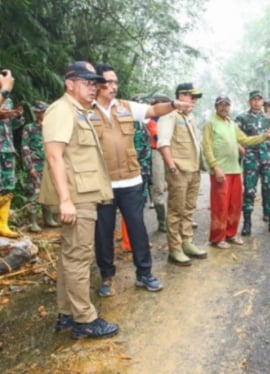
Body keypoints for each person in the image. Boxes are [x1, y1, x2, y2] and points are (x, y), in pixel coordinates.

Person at [91, 64, 192, 295]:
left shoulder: (125, 107)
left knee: (138, 229)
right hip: (102, 184)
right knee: (103, 233)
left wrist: (174, 104)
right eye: (109, 82)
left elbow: (153, 111)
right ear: (97, 84)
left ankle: (144, 274)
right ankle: (107, 276)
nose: (114, 87)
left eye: (116, 82)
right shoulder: (86, 111)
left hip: (130, 181)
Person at [38, 61, 118, 339]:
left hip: (83, 194)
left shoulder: (80, 112)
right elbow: (54, 156)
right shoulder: (61, 111)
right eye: (87, 82)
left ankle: (67, 314)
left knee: (69, 257)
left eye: (95, 83)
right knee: (79, 257)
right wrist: (65, 200)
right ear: (69, 83)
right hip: (75, 197)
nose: (93, 87)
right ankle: (84, 319)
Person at [202, 96, 270, 248]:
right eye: (221, 105)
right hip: (220, 170)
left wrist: (265, 136)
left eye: (227, 105)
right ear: (216, 107)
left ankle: (230, 234)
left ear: (230, 107)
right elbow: (207, 147)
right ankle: (218, 238)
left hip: (235, 170)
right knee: (220, 205)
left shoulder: (231, 123)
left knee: (234, 205)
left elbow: (245, 140)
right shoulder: (211, 123)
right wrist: (215, 166)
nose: (224, 108)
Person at [157, 83, 207, 266]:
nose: (194, 100)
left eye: (195, 97)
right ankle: (175, 248)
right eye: (191, 96)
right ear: (180, 96)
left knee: (188, 210)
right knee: (176, 211)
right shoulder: (169, 115)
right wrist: (172, 168)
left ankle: (186, 242)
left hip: (193, 171)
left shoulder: (190, 117)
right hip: (178, 171)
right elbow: (163, 143)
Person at [236, 90, 270, 236]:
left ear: (263, 102)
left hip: (268, 158)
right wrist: (244, 153)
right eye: (254, 99)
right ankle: (247, 223)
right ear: (249, 101)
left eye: (259, 99)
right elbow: (236, 138)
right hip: (251, 159)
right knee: (249, 190)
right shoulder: (242, 118)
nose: (256, 102)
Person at [21, 100, 60, 232]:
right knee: (34, 193)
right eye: (41, 112)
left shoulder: (51, 128)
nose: (44, 114)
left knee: (49, 192)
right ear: (37, 113)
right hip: (35, 165)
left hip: (49, 165)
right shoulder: (29, 128)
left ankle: (48, 219)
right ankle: (32, 222)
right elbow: (25, 147)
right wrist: (29, 166)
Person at [0, 67, 24, 239]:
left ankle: (3, 224)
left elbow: (11, 126)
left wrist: (17, 117)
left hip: (7, 147)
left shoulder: (6, 100)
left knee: (7, 185)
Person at [146, 94, 171, 232]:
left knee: (179, 188)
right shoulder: (149, 120)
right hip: (156, 152)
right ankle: (163, 220)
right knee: (158, 189)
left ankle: (180, 219)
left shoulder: (173, 118)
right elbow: (155, 137)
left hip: (172, 150)